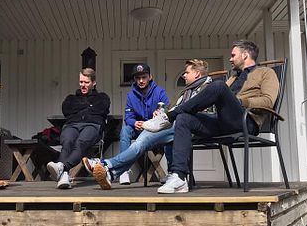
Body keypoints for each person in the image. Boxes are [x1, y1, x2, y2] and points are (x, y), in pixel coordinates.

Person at [156, 40, 278, 194]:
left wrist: (241, 102)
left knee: (218, 85)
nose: (230, 59)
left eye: (233, 55)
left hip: (246, 121)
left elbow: (268, 101)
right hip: (222, 121)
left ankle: (170, 115)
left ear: (245, 55)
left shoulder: (266, 73)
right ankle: (179, 177)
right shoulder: (233, 78)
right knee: (184, 119)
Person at [87, 59, 213, 190]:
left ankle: (106, 165)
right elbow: (171, 109)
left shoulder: (207, 89)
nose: (183, 75)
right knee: (130, 133)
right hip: (165, 126)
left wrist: (162, 115)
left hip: (184, 128)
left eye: (186, 72)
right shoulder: (186, 92)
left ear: (197, 74)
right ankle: (112, 172)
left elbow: (201, 114)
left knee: (143, 140)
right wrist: (157, 115)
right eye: (138, 78)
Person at [46, 67, 110, 189]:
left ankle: (63, 168)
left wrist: (80, 108)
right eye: (81, 82)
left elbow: (102, 110)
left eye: (86, 82)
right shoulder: (71, 98)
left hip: (92, 125)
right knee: (67, 142)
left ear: (94, 83)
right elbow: (66, 110)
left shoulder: (102, 97)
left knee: (81, 142)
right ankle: (64, 175)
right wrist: (89, 106)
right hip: (72, 125)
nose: (83, 85)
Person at [117, 63, 170, 185]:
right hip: (139, 129)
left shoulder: (160, 92)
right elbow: (128, 116)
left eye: (144, 77)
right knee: (125, 130)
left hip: (156, 130)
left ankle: (172, 172)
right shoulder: (131, 95)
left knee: (170, 133)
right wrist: (135, 122)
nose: (141, 81)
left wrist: (160, 113)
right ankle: (124, 171)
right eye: (138, 78)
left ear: (150, 77)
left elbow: (167, 110)